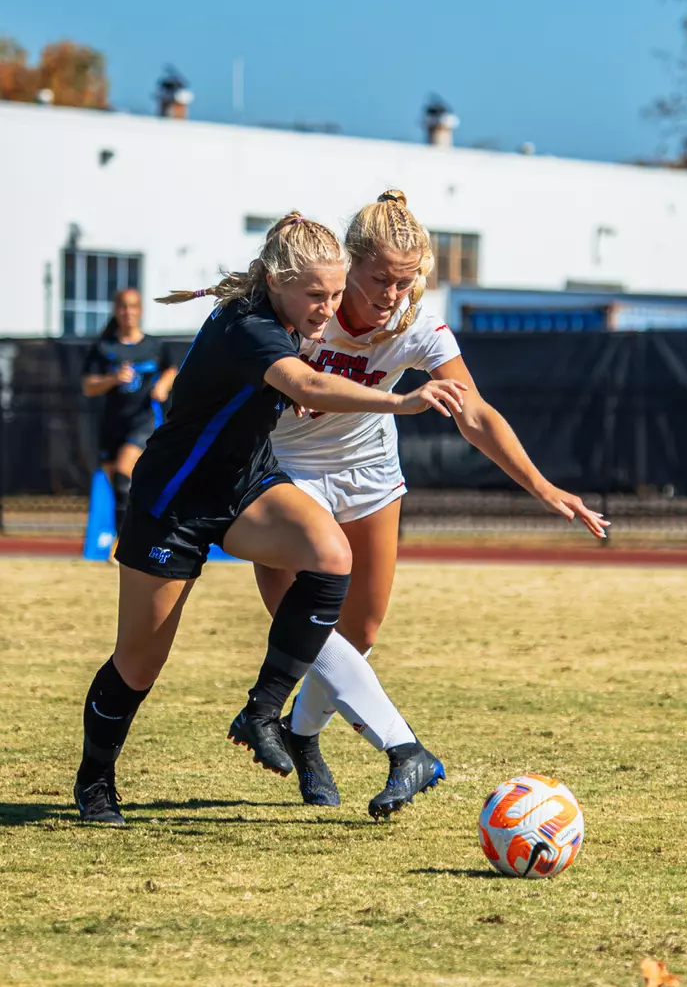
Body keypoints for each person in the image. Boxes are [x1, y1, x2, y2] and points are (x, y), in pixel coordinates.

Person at [72, 212, 468, 825]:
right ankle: (95, 782)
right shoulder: (249, 324)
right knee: (138, 663)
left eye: (336, 293)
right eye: (316, 294)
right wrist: (401, 400)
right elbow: (304, 383)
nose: (328, 307)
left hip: (246, 485)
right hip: (174, 501)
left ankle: (263, 711)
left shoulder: (287, 312)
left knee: (331, 556)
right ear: (276, 281)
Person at [255, 190, 609, 818]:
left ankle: (302, 735)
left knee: (359, 631)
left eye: (406, 279)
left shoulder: (416, 324)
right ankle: (401, 749)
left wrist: (543, 486)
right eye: (379, 279)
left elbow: (474, 411)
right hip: (288, 469)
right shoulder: (309, 303)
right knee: (301, 623)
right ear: (349, 264)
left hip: (367, 468)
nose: (391, 293)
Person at [80, 287, 177, 540]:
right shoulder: (104, 347)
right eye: (123, 306)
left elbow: (171, 369)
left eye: (133, 306)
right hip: (112, 426)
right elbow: (88, 386)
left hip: (143, 423)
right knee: (119, 489)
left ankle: (124, 544)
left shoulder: (154, 346)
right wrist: (113, 378)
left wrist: (164, 385)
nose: (128, 312)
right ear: (116, 310)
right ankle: (131, 534)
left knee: (124, 475)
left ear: (141, 310)